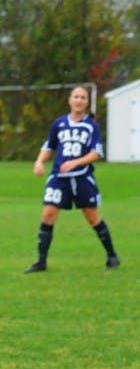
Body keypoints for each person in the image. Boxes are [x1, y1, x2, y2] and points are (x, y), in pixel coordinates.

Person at [25, 85, 120, 273]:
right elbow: (49, 146)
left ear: (87, 102)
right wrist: (39, 162)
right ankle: (41, 262)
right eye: (76, 96)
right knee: (48, 214)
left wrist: (75, 163)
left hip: (82, 177)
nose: (79, 100)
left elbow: (96, 153)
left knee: (91, 217)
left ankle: (112, 256)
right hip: (59, 177)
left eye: (83, 97)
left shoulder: (91, 125)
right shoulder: (59, 124)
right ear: (69, 100)